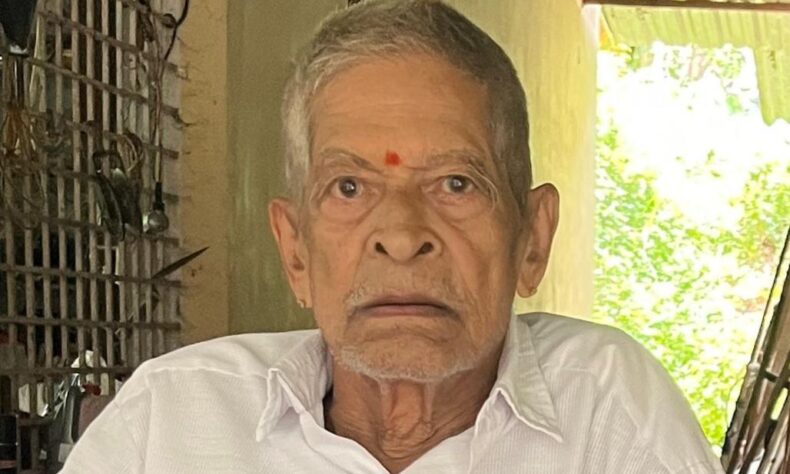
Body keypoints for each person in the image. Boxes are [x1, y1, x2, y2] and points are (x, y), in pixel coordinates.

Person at [62, 1, 724, 472]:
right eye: (349, 187)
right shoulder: (168, 421)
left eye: (456, 184)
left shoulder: (609, 413)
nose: (402, 237)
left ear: (532, 240)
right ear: (295, 250)